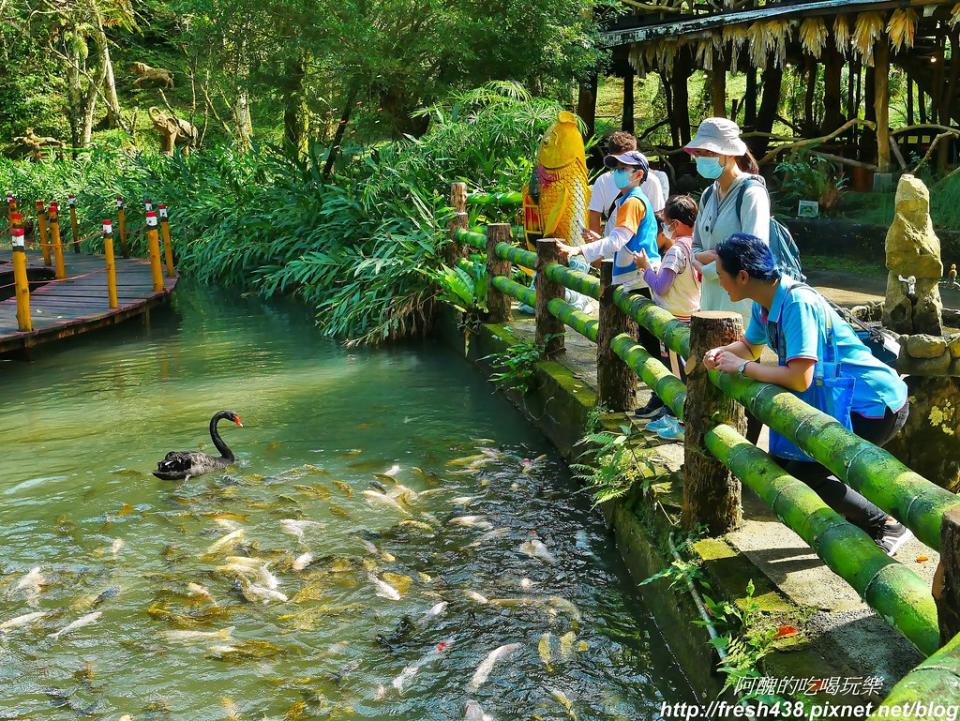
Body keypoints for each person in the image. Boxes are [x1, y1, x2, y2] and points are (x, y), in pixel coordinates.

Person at [702, 233, 913, 557]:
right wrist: (720, 352)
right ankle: (870, 521)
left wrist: (742, 369)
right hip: (843, 400)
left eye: (721, 272)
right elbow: (749, 346)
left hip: (875, 404)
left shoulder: (797, 304)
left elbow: (800, 378)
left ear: (743, 276)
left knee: (804, 470)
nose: (719, 280)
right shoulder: (765, 304)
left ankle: (886, 523)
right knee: (791, 464)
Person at [557, 150, 663, 364]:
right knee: (645, 337)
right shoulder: (629, 200)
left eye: (623, 169)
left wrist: (578, 250)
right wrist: (598, 241)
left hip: (640, 276)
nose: (617, 173)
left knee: (650, 340)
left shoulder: (632, 201)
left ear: (638, 175)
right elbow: (623, 242)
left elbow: (617, 240)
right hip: (636, 275)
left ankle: (659, 393)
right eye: (616, 169)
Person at [685, 118, 769, 322]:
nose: (703, 158)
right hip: (708, 307)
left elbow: (752, 254)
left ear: (730, 153)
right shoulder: (708, 194)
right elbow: (695, 246)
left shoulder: (751, 194)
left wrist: (708, 264)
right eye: (699, 153)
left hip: (739, 311)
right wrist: (709, 256)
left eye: (710, 152)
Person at [632, 195, 701, 433]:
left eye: (667, 223)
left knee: (677, 373)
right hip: (691, 314)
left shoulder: (676, 252)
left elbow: (661, 286)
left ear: (677, 225)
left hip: (675, 318)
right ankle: (676, 417)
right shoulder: (697, 246)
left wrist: (645, 268)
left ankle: (679, 421)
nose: (664, 228)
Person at [587, 132, 664, 240]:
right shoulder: (603, 181)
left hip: (641, 251)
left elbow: (658, 219)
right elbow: (594, 216)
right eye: (618, 165)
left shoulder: (652, 182)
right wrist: (595, 251)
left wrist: (651, 252)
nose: (620, 169)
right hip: (612, 251)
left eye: (625, 165)